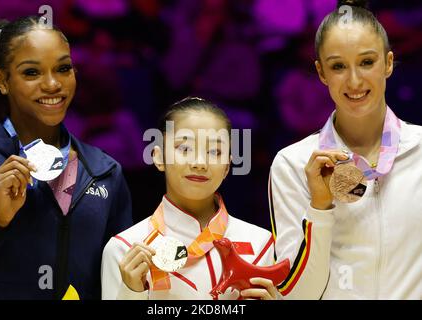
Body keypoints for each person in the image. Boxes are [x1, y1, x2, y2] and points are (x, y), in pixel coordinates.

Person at [269, 0, 422, 299]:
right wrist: (320, 209)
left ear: (388, 63)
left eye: (367, 62)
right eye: (338, 66)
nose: (354, 81)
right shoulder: (293, 164)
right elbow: (298, 296)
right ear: (321, 72)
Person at [0, 16, 132, 299]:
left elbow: (116, 284)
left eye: (63, 68)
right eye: (31, 72)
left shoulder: (105, 171)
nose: (52, 84)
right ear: (2, 80)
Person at [101, 97, 278, 300]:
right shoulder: (125, 249)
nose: (200, 162)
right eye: (184, 149)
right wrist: (131, 293)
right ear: (159, 157)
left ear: (227, 166)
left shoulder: (261, 243)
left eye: (214, 151)